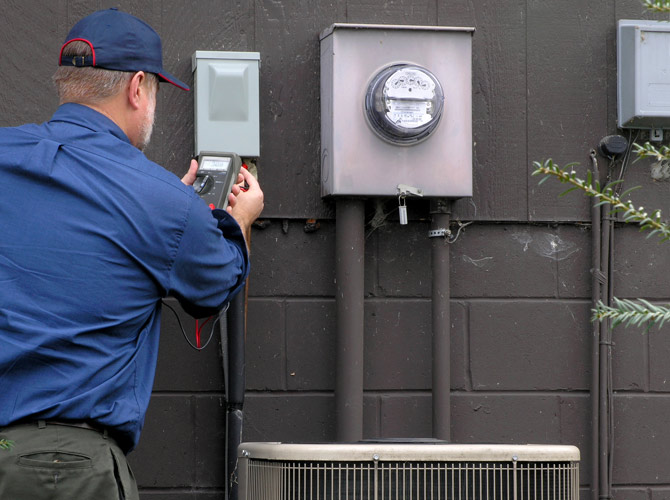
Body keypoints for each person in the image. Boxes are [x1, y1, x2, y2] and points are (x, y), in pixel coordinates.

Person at [0, 8, 264, 500]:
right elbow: (215, 285)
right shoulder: (161, 200)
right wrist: (238, 221)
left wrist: (171, 216)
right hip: (66, 471)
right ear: (138, 87)